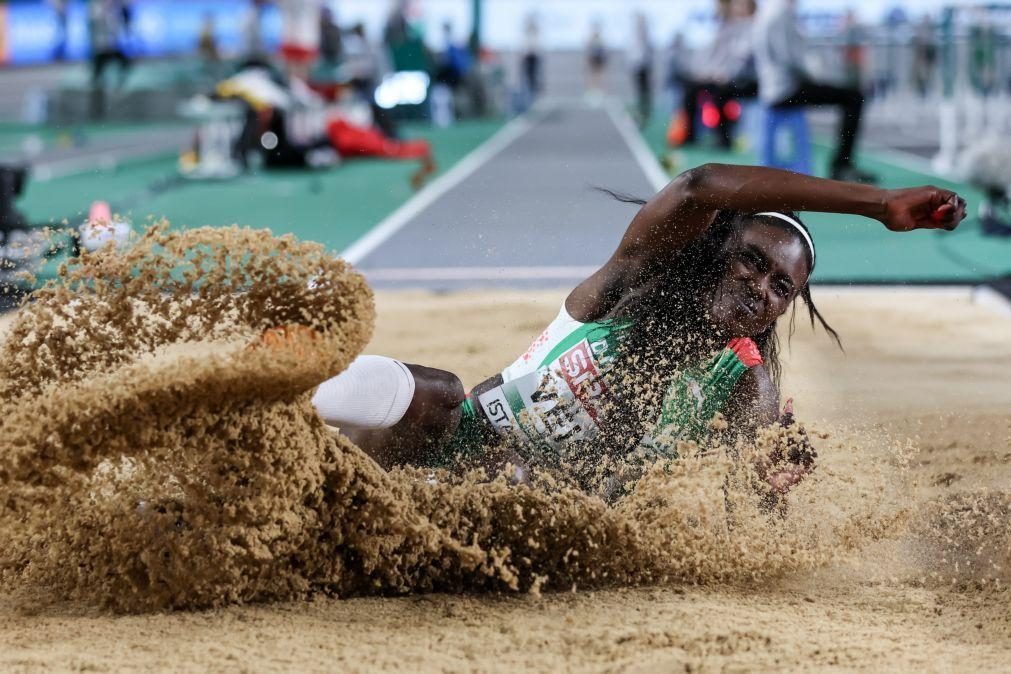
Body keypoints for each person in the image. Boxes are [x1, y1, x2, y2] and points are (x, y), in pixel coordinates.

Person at [306, 164, 966, 497]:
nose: (758, 289)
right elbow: (701, 184)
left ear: (782, 309)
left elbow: (761, 512)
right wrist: (876, 204)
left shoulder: (742, 385)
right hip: (438, 449)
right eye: (750, 261)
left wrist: (774, 477)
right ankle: (283, 398)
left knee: (519, 483)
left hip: (527, 514)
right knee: (437, 389)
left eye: (780, 288)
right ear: (718, 251)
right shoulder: (627, 287)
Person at [753, 0, 874, 183]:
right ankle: (841, 165)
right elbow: (791, 59)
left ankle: (842, 164)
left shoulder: (767, 11)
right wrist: (822, 76)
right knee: (854, 98)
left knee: (846, 95)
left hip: (775, 88)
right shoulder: (781, 13)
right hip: (785, 91)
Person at [679, 0, 759, 148]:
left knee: (721, 94)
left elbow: (742, 60)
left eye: (740, 5)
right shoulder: (729, 26)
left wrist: (724, 75)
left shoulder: (753, 27)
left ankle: (724, 139)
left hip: (748, 80)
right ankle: (690, 135)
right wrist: (707, 73)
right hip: (727, 76)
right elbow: (719, 56)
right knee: (690, 89)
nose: (736, 8)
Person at [628, 12, 654, 127]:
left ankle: (644, 114)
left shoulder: (643, 34)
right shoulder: (637, 35)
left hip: (642, 66)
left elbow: (643, 52)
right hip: (639, 65)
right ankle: (642, 113)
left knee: (643, 91)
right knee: (641, 91)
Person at [520, 14, 543, 101]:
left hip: (534, 55)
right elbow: (524, 44)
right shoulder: (525, 32)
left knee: (534, 75)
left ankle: (534, 92)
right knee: (527, 75)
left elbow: (536, 44)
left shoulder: (536, 31)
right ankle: (528, 92)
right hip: (527, 55)